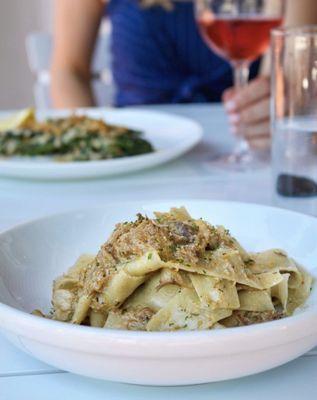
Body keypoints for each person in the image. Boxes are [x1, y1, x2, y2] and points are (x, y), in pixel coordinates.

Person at [51, 0, 317, 149]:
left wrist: (276, 105)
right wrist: (94, 143)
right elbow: (69, 71)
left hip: (242, 159)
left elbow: (289, 74)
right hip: (136, 151)